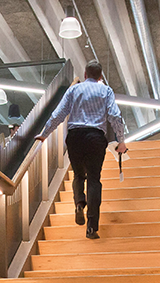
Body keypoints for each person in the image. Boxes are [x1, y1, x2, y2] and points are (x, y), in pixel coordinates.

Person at [36, 61, 127, 240]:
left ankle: (79, 202)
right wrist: (121, 141)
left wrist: (45, 134)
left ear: (85, 74)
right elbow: (115, 116)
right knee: (94, 180)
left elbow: (59, 114)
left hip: (75, 136)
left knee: (79, 175)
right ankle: (91, 227)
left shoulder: (73, 90)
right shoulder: (106, 91)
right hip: (95, 137)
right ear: (100, 77)